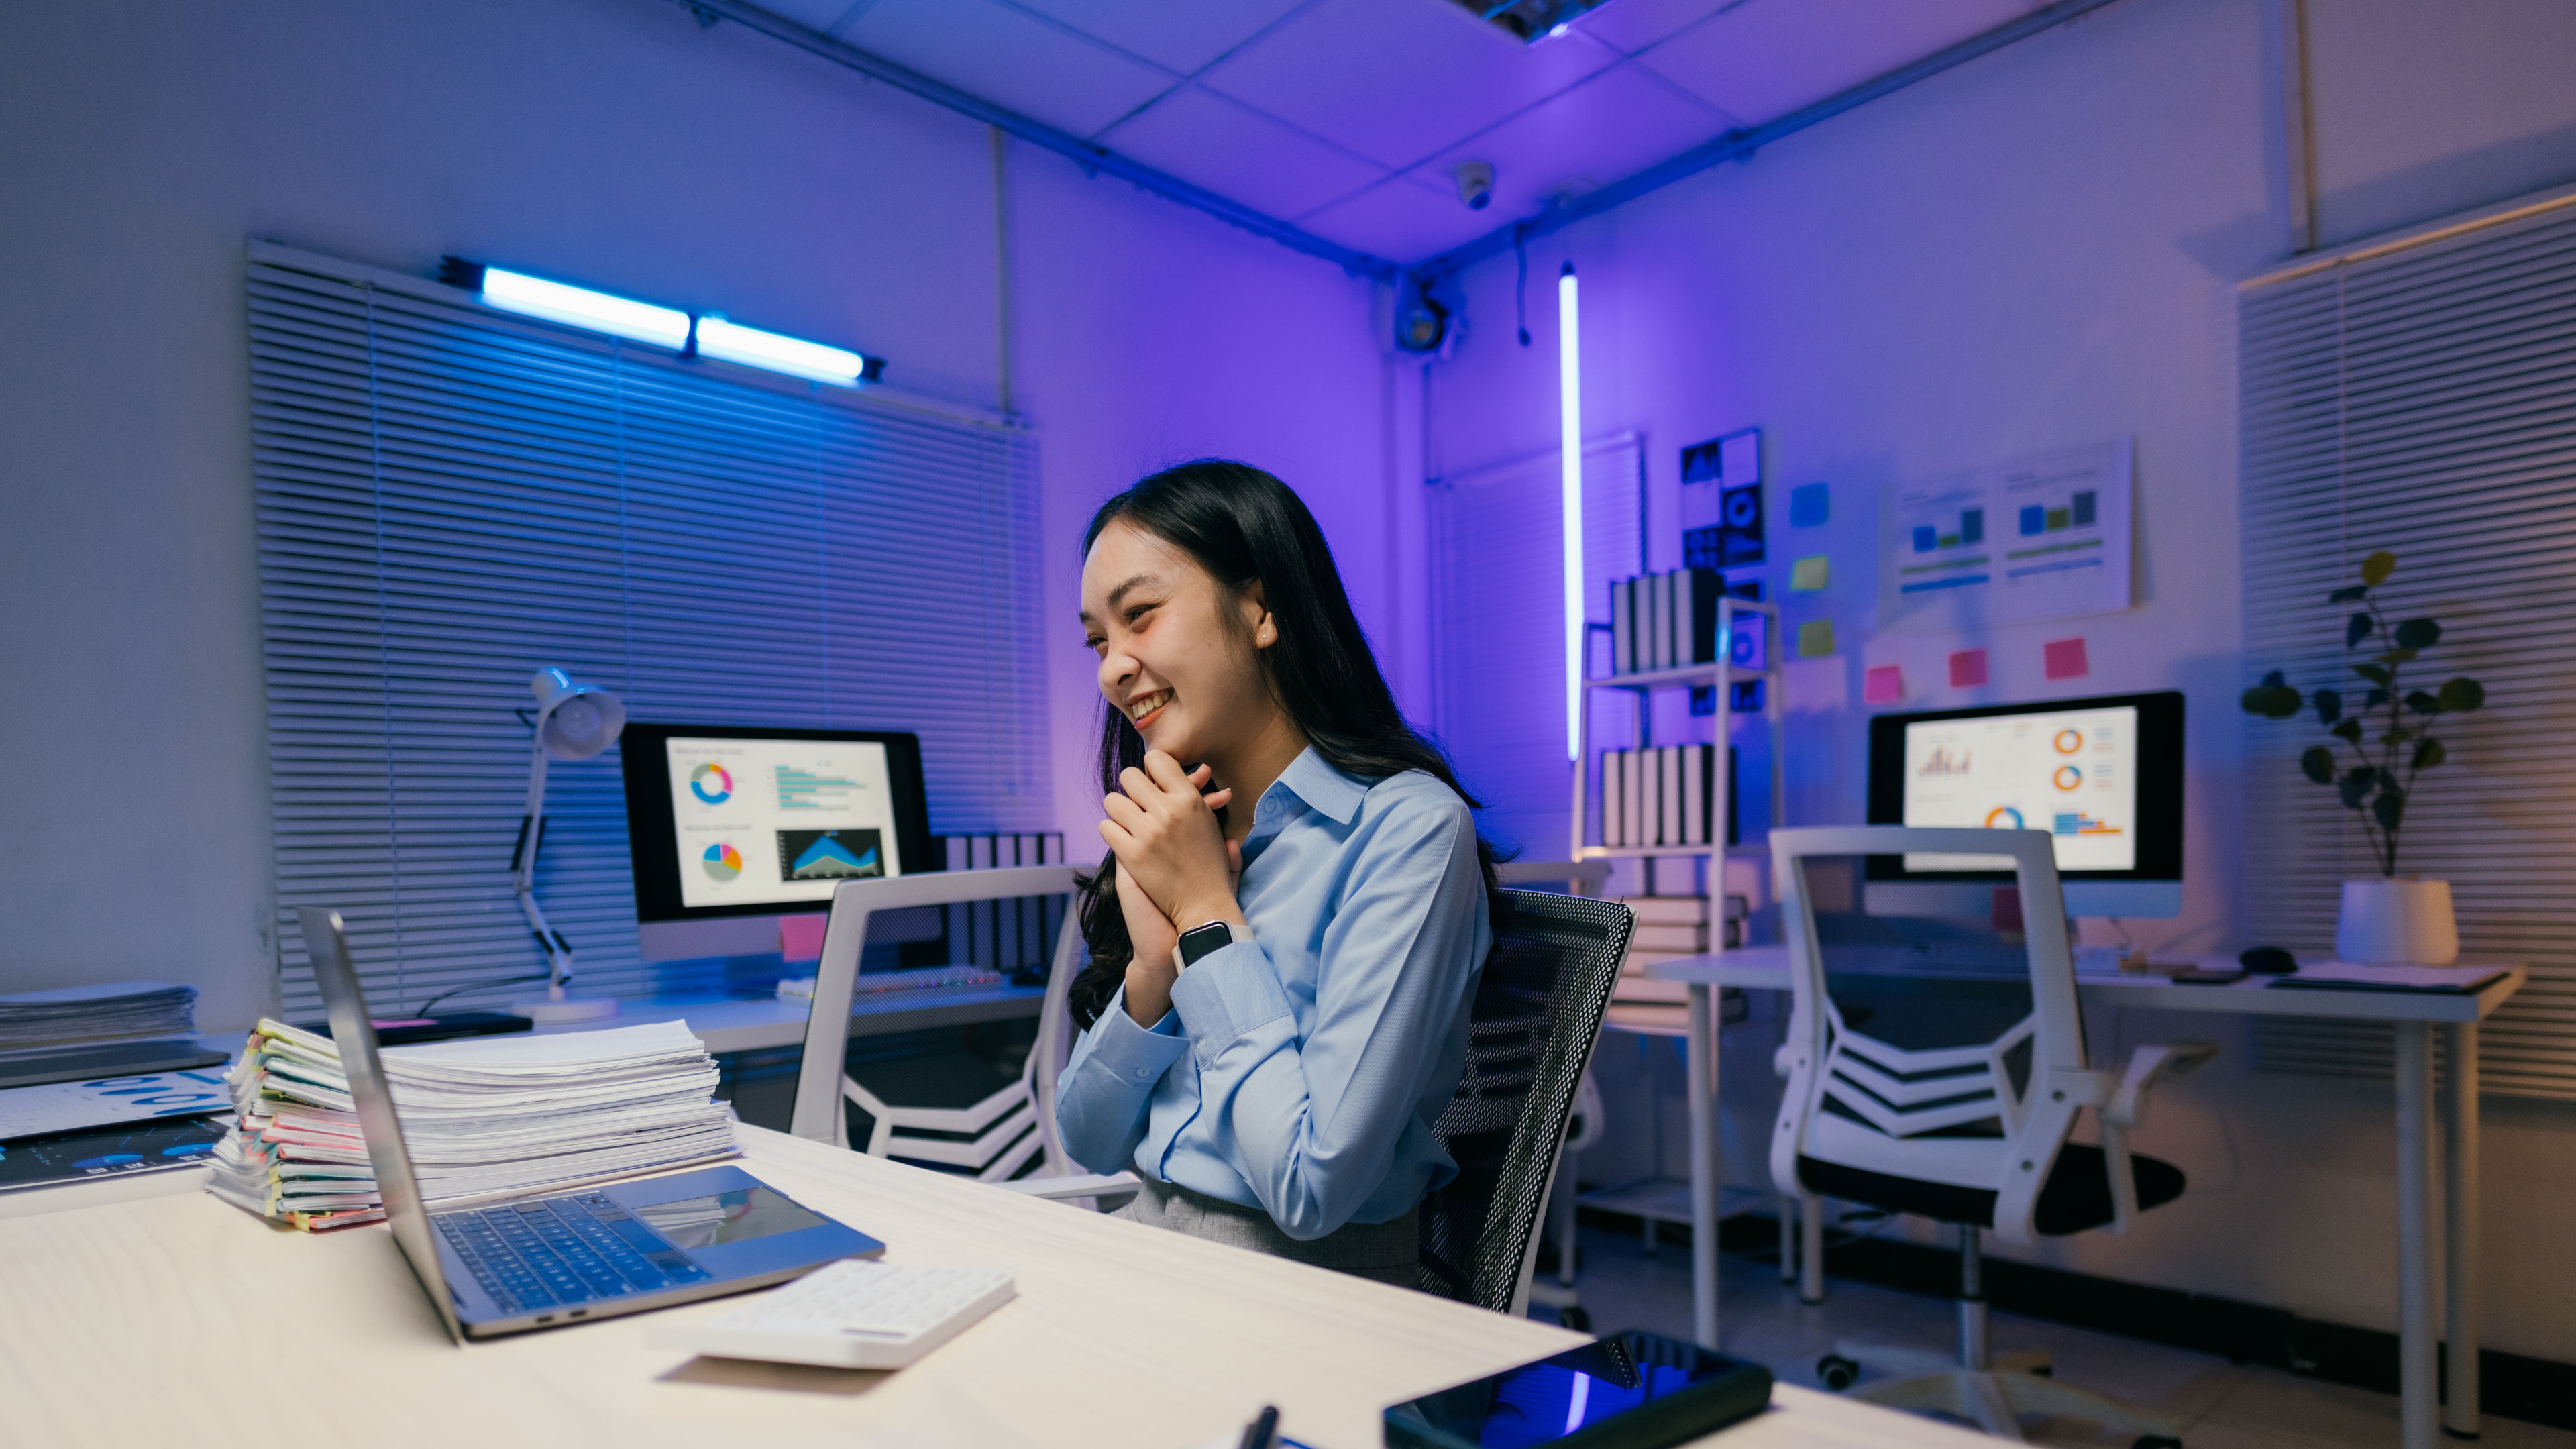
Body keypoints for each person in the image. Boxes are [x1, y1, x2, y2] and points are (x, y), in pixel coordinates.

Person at [1054, 459, 1503, 1288]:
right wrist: (1154, 970)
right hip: (1146, 1249)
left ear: (1260, 609)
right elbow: (1087, 1139)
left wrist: (1205, 918)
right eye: (1098, 641)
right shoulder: (1189, 832)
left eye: (1140, 617)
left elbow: (1312, 1189)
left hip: (1310, 1289)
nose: (1111, 668)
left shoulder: (1405, 830)